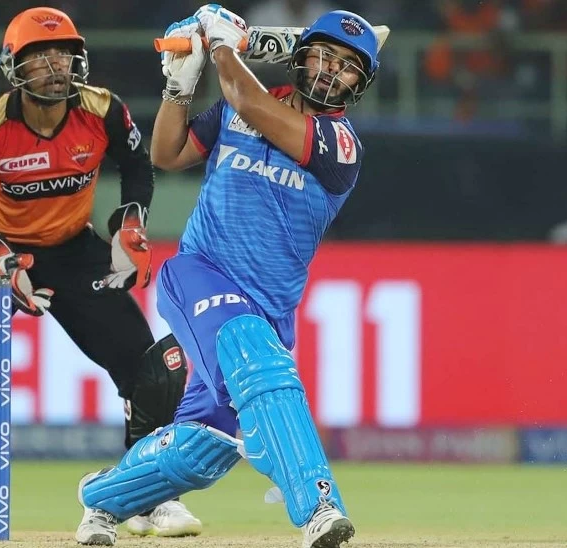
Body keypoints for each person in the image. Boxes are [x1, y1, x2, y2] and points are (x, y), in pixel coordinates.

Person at [77, 4, 385, 547]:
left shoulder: (340, 145)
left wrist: (220, 45)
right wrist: (179, 88)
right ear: (300, 57)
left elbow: (247, 98)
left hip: (268, 308)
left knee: (204, 447)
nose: (332, 71)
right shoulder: (237, 106)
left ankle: (102, 499)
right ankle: (318, 506)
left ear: (359, 85)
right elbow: (167, 153)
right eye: (324, 56)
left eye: (347, 66)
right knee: (257, 361)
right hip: (200, 273)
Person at [0, 6, 201, 543]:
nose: (55, 66)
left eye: (63, 55)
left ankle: (146, 497)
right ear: (14, 67)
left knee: (151, 369)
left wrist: (131, 221)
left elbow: (137, 166)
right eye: (40, 58)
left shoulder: (103, 110)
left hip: (73, 251)